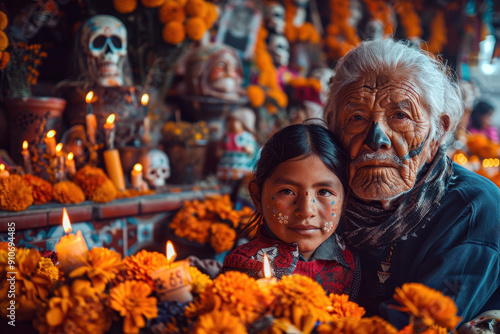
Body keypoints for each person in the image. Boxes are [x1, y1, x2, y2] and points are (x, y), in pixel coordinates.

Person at [324, 38, 500, 328]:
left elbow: (418, 325)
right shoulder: (321, 195)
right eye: (357, 117)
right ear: (332, 126)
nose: (376, 140)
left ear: (438, 132)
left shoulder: (474, 208)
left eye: (400, 116)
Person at [220, 123, 359, 297]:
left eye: (324, 192)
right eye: (287, 191)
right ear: (257, 197)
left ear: (344, 200)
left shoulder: (356, 260)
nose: (307, 210)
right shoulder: (241, 269)